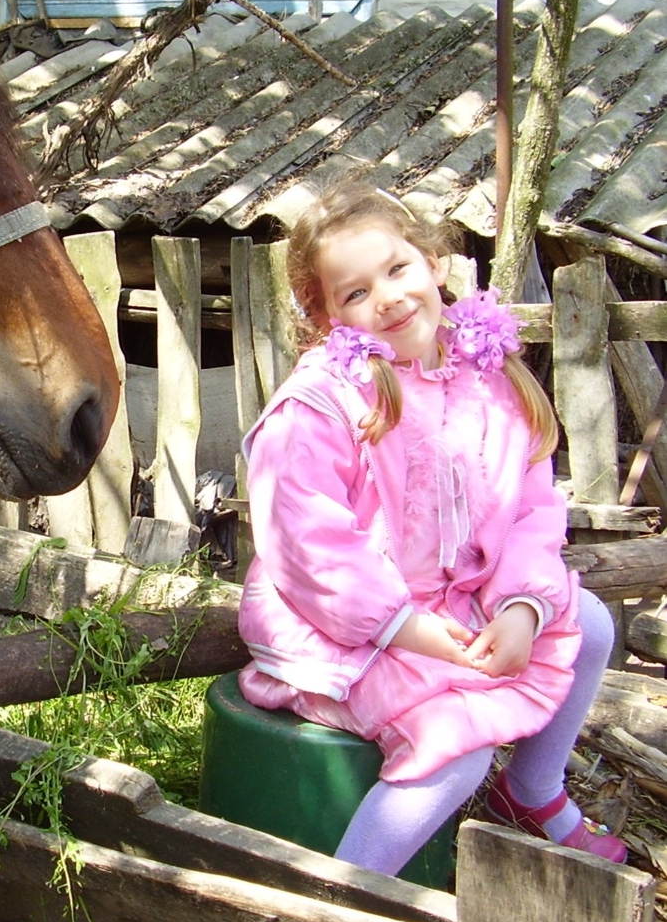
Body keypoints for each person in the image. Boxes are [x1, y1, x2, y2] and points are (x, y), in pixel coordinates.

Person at [237, 178, 627, 878]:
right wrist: (403, 627)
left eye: (397, 269)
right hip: (342, 624)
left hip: (446, 602)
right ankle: (342, 904)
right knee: (457, 742)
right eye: (354, 293)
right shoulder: (323, 403)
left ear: (435, 265)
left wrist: (521, 605)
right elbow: (308, 547)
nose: (386, 297)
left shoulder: (485, 376)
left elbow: (530, 508)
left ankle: (532, 790)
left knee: (589, 623)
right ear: (326, 315)